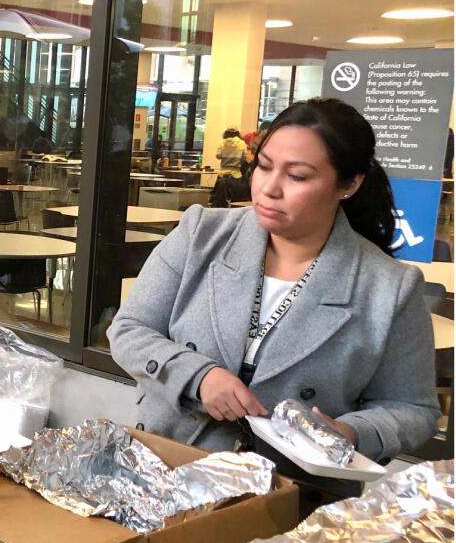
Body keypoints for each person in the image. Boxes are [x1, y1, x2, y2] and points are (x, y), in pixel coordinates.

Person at [109, 97, 440, 501]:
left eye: (298, 176)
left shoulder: (389, 287)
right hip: (168, 467)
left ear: (349, 184)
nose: (269, 188)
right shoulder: (201, 234)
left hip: (294, 498)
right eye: (263, 166)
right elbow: (129, 330)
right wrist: (198, 376)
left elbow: (412, 408)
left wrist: (351, 433)